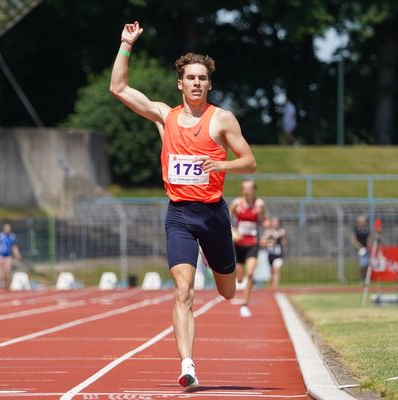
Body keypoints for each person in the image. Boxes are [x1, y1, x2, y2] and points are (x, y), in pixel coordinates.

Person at [109, 21, 256, 388]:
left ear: (209, 84)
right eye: (189, 77)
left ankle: (222, 270)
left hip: (213, 214)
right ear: (180, 83)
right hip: (180, 215)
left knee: (228, 291)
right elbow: (118, 87)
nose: (195, 83)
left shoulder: (221, 119)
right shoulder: (165, 116)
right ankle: (188, 365)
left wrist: (221, 164)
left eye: (201, 78)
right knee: (183, 290)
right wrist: (126, 44)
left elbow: (249, 161)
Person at [229, 180, 268, 317]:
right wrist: (233, 233)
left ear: (254, 190)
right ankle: (239, 281)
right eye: (244, 188)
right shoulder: (236, 203)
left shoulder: (259, 204)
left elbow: (265, 220)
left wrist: (266, 228)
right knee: (239, 279)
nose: (247, 191)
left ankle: (245, 304)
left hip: (253, 242)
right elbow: (227, 220)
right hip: (239, 242)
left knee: (250, 273)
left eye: (249, 188)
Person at [260, 216, 287, 290]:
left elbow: (284, 243)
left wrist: (281, 241)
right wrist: (270, 242)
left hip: (278, 254)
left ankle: (275, 286)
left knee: (276, 269)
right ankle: (272, 285)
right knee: (271, 272)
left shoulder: (282, 232)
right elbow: (262, 243)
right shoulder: (268, 232)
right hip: (270, 255)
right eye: (274, 222)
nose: (276, 224)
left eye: (277, 222)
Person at [0, 223, 21, 289]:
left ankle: (5, 282)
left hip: (8, 255)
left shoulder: (12, 236)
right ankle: (2, 283)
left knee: (8, 269)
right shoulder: (0, 236)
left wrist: (17, 254)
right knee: (2, 270)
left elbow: (14, 246)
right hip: (1, 255)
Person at [350, 215, 371, 282]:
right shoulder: (355, 229)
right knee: (363, 264)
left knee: (367, 264)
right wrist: (359, 247)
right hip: (360, 249)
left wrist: (368, 247)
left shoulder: (366, 229)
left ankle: (366, 278)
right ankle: (361, 278)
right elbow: (353, 239)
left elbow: (369, 238)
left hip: (366, 249)